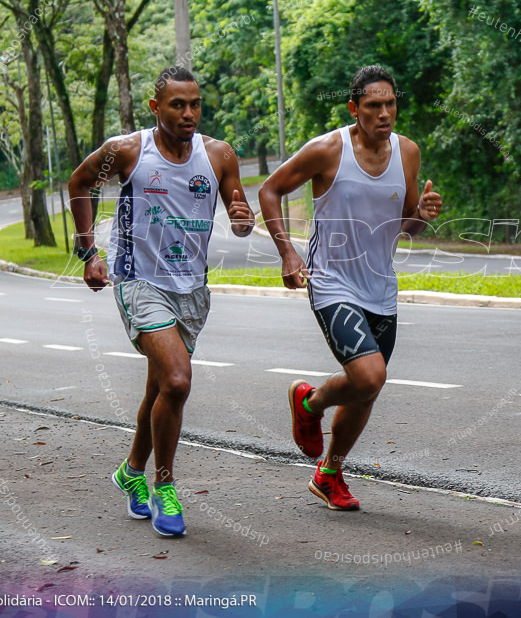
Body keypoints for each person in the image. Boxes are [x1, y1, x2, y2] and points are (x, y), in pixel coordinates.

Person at [68, 66, 254, 537]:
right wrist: (88, 251)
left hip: (192, 289)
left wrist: (243, 218)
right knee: (176, 380)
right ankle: (164, 486)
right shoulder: (127, 151)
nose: (188, 113)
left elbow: (240, 220)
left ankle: (130, 472)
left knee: (159, 391)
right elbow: (79, 183)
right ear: (156, 108)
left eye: (194, 104)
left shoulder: (219, 156)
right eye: (177, 104)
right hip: (139, 282)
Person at [259, 65, 442, 511]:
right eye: (373, 105)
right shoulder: (328, 150)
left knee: (367, 389)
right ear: (354, 108)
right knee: (369, 375)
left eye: (390, 104)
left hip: (380, 285)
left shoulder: (408, 153)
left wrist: (424, 212)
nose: (384, 113)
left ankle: (329, 473)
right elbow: (269, 190)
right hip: (331, 281)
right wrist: (287, 253)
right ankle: (312, 404)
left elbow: (408, 226)